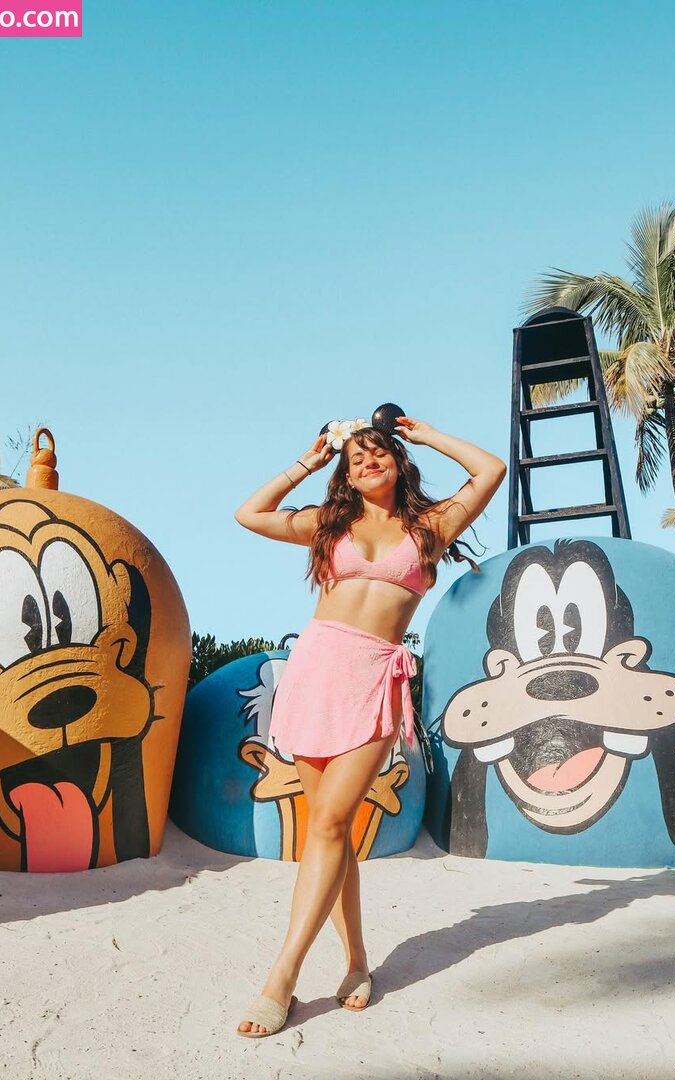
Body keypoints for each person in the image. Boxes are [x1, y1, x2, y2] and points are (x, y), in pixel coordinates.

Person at [233, 414, 505, 1037]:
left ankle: (282, 977)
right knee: (329, 833)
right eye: (355, 459)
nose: (366, 463)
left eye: (377, 452)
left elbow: (490, 469)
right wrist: (307, 462)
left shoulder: (429, 526)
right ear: (346, 474)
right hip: (314, 674)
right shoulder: (329, 525)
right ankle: (357, 960)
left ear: (397, 461)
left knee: (331, 823)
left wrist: (425, 434)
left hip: (374, 681)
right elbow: (250, 514)